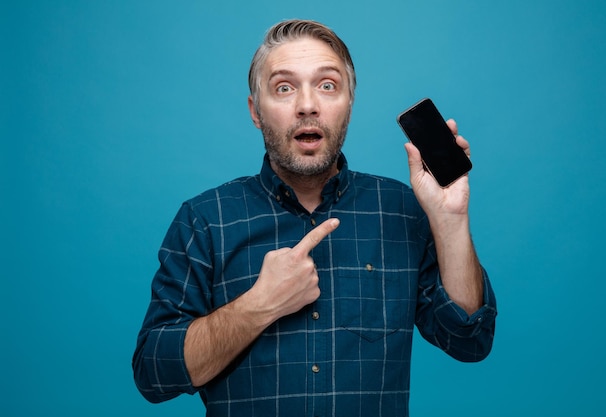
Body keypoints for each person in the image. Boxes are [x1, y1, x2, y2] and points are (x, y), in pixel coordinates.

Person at [132, 19, 497, 416]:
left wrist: (450, 219)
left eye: (327, 85)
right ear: (256, 111)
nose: (307, 105)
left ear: (350, 104)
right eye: (284, 88)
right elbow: (155, 375)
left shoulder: (402, 211)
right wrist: (259, 305)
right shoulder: (204, 220)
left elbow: (469, 340)